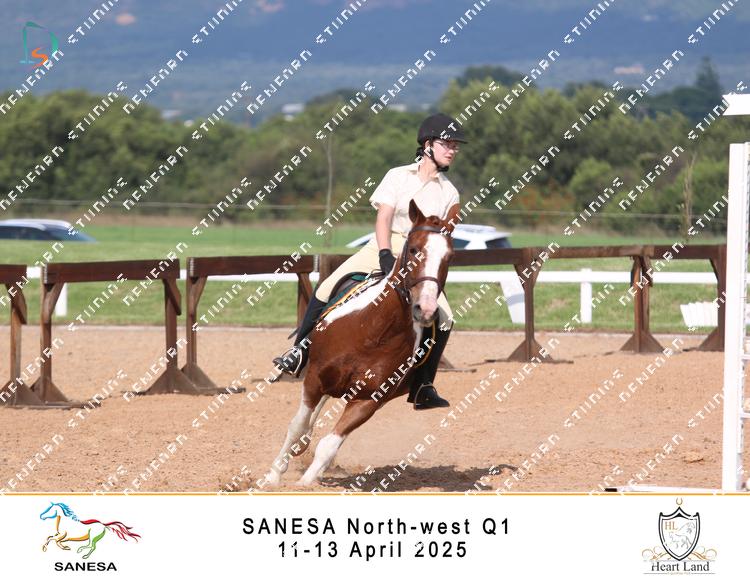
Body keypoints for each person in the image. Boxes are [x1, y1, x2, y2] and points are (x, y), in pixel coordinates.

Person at [272, 113, 466, 410]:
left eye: (455, 145)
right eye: (447, 143)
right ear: (428, 145)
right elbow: (383, 217)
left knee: (446, 317)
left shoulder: (449, 192)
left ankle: (423, 385)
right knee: (327, 286)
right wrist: (385, 253)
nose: (452, 150)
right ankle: (299, 350)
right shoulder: (398, 176)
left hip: (418, 255)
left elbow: (442, 237)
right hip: (384, 244)